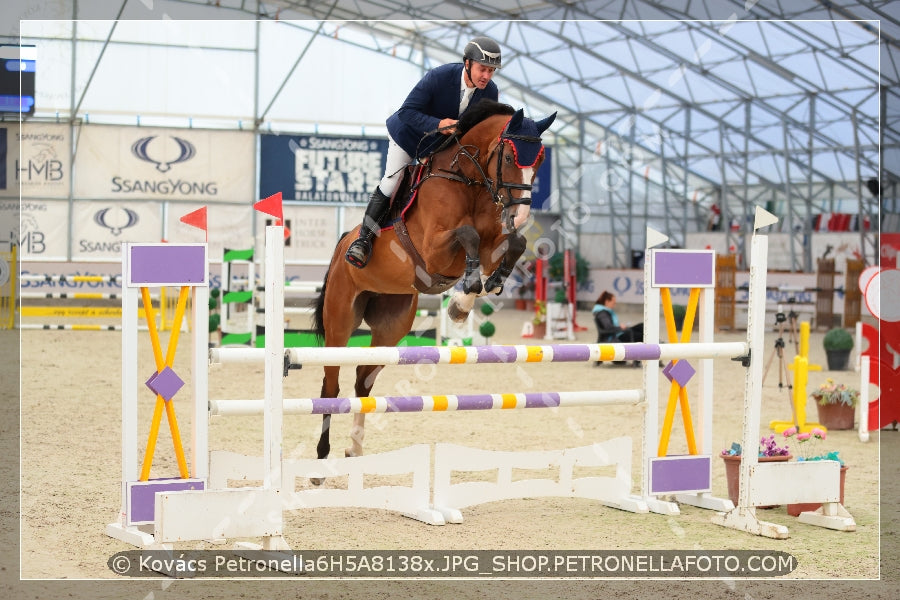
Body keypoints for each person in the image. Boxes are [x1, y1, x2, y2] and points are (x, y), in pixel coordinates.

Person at [345, 36, 502, 268]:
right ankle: (363, 240)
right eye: (482, 69)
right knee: (393, 180)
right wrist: (439, 124)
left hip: (442, 146)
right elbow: (407, 112)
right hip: (408, 136)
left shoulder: (490, 92)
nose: (486, 76)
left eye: (491, 71)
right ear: (467, 64)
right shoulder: (439, 77)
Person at [593, 291, 644, 366]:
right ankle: (649, 353)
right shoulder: (602, 313)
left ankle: (654, 347)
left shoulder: (605, 312)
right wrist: (620, 327)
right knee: (641, 335)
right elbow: (608, 328)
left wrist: (620, 327)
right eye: (613, 303)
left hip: (617, 333)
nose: (615, 305)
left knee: (641, 326)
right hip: (615, 337)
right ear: (607, 302)